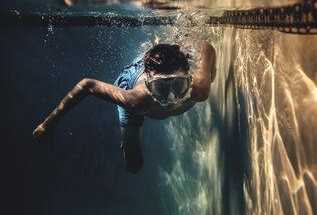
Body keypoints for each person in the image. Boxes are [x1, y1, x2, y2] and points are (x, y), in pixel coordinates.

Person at [33, 43, 216, 173]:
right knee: (133, 166)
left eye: (178, 85)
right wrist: (49, 124)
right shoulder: (135, 100)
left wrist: (211, 71)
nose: (170, 98)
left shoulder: (199, 89)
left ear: (189, 79)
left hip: (169, 67)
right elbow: (87, 85)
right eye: (160, 88)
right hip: (134, 77)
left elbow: (207, 48)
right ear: (149, 85)